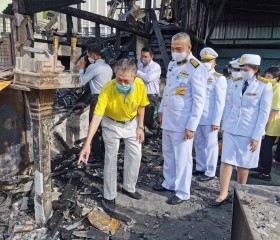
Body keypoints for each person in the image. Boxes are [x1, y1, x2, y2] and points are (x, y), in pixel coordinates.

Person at [78, 59, 150, 210]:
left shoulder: (139, 85)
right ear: (114, 75)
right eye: (119, 80)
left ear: (135, 78)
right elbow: (97, 116)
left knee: (135, 156)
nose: (122, 84)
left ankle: (129, 187)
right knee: (111, 158)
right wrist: (87, 144)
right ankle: (109, 195)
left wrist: (141, 127)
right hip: (111, 124)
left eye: (126, 81)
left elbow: (142, 106)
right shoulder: (107, 88)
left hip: (131, 123)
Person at [211, 54, 273, 206]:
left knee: (242, 165)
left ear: (256, 69)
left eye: (246, 69)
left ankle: (239, 192)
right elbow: (229, 105)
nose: (242, 72)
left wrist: (257, 136)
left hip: (249, 131)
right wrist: (224, 126)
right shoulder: (235, 82)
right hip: (231, 128)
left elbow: (263, 113)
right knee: (226, 162)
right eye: (241, 69)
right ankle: (223, 193)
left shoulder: (264, 85)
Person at [153, 32, 207, 205]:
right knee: (168, 154)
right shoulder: (171, 64)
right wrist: (161, 110)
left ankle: (183, 192)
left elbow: (199, 101)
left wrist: (192, 126)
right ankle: (169, 182)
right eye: (172, 49)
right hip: (169, 118)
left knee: (183, 158)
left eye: (179, 49)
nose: (175, 52)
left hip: (183, 122)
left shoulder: (197, 68)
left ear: (189, 48)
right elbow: (168, 90)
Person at [193, 47, 227, 181]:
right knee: (199, 143)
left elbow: (220, 102)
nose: (206, 63)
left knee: (211, 146)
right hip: (197, 118)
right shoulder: (198, 76)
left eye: (209, 60)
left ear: (215, 62)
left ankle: (210, 171)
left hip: (210, 118)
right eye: (204, 60)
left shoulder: (219, 79)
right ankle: (200, 167)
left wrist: (216, 121)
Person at [79, 43, 113, 162]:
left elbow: (81, 81)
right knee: (105, 127)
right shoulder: (108, 67)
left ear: (92, 55)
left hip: (97, 99)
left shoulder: (93, 67)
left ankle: (96, 155)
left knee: (93, 126)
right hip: (108, 99)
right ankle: (105, 154)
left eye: (88, 55)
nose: (87, 57)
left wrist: (82, 68)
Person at [250, 66, 280, 181]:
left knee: (266, 148)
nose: (266, 78)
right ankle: (261, 166)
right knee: (263, 147)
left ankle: (266, 173)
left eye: (269, 77)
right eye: (265, 75)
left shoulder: (278, 89)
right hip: (268, 122)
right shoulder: (271, 87)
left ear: (277, 78)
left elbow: (275, 109)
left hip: (272, 123)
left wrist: (265, 124)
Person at [137, 47, 161, 130]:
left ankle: (157, 130)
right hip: (140, 95)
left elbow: (148, 78)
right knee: (140, 118)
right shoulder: (140, 66)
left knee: (147, 119)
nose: (143, 58)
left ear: (151, 57)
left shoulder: (155, 66)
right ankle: (144, 138)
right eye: (142, 56)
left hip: (150, 95)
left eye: (145, 57)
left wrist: (136, 71)